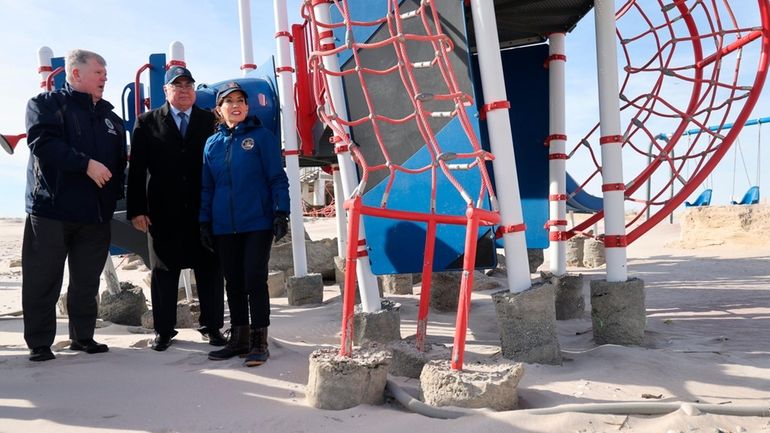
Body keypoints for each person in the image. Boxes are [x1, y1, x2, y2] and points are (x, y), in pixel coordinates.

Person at [22, 49, 127, 362]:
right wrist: (85, 165)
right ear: (75, 73)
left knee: (85, 280)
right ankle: (40, 343)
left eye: (105, 74)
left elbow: (119, 166)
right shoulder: (45, 105)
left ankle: (83, 337)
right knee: (43, 279)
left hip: (94, 215)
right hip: (51, 210)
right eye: (98, 72)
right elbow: (42, 143)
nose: (104, 78)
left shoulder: (112, 120)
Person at [127, 66, 226, 351]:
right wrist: (137, 210)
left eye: (188, 85)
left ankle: (213, 327)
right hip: (162, 211)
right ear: (166, 91)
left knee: (209, 268)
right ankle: (163, 330)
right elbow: (137, 170)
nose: (184, 90)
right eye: (177, 85)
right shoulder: (146, 122)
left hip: (203, 209)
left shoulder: (210, 121)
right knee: (163, 272)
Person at [200, 82, 289, 367]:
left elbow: (277, 177)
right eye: (229, 102)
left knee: (253, 278)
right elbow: (207, 187)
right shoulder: (211, 144)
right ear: (219, 109)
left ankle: (259, 342)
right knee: (234, 282)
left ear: (247, 107)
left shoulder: (262, 137)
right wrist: (204, 220)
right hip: (224, 225)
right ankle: (238, 338)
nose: (236, 105)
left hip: (257, 222)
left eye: (241, 101)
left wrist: (280, 212)